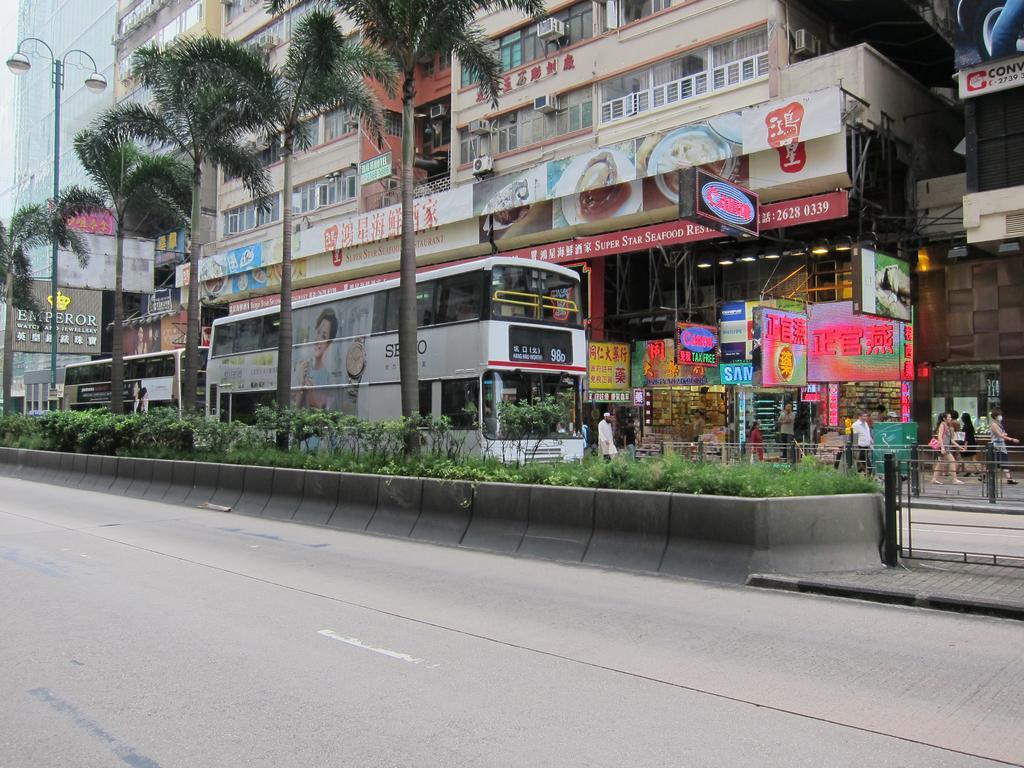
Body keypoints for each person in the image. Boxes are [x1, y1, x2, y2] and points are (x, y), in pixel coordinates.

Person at [295, 308, 339, 409]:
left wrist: (311, 393)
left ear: (328, 344)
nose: (318, 339)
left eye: (323, 336)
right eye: (318, 332)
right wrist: (301, 384)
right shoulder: (303, 368)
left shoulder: (330, 380)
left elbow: (326, 413)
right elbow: (295, 409)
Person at [989, 407, 1020, 485]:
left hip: (1001, 445)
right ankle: (1009, 478)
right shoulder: (994, 424)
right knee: (999, 462)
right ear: (995, 416)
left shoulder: (999, 424)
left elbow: (1002, 434)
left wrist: (1004, 435)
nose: (1000, 416)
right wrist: (1012, 439)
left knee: (998, 463)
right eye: (999, 415)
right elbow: (1000, 435)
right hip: (996, 446)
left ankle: (1009, 478)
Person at [932, 412, 964, 485]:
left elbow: (951, 440)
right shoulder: (942, 425)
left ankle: (934, 479)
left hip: (945, 447)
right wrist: (942, 448)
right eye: (949, 417)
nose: (950, 418)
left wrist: (959, 447)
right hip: (944, 447)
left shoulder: (947, 426)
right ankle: (954, 479)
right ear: (944, 418)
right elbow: (940, 437)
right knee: (952, 462)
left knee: (940, 463)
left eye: (950, 417)